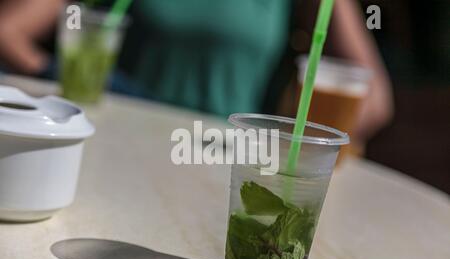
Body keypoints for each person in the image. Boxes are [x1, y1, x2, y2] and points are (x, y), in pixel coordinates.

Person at [0, 0, 393, 144]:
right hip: (116, 146)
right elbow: (7, 30)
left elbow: (374, 104)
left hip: (225, 163)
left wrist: (294, 145)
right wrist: (64, 72)